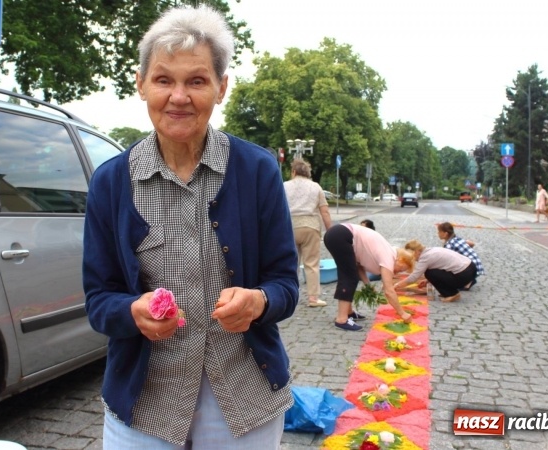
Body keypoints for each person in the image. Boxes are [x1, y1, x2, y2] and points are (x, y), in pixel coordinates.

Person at [82, 6, 298, 449]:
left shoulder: (256, 171)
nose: (178, 96)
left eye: (196, 81)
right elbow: (98, 299)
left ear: (221, 88)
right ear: (141, 84)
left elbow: (285, 285)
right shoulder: (110, 182)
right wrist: (131, 314)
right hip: (144, 404)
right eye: (164, 80)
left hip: (244, 398)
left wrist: (258, 301)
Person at [324, 223, 414, 331]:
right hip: (341, 235)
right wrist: (402, 313)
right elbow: (389, 291)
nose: (399, 272)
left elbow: (358, 265)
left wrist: (368, 286)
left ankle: (349, 313)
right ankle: (342, 319)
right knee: (349, 277)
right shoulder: (389, 257)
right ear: (401, 260)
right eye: (402, 269)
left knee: (349, 274)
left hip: (337, 234)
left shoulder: (387, 252)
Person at [284, 159, 333, 307]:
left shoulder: (284, 186)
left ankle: (289, 295)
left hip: (289, 227)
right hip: (311, 226)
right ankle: (313, 298)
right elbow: (324, 211)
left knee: (291, 263)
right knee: (311, 263)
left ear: (293, 172)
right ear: (307, 173)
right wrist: (331, 231)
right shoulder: (316, 187)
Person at [395, 239, 476, 303]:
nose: (413, 259)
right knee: (430, 274)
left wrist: (396, 286)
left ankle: (452, 294)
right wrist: (428, 281)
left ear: (416, 252)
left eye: (411, 256)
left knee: (429, 273)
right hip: (471, 267)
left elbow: (414, 277)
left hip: (463, 274)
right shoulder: (431, 250)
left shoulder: (425, 257)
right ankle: (448, 291)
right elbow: (442, 268)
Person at [436, 222, 484, 290]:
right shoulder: (457, 239)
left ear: (445, 234)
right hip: (476, 265)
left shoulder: (449, 245)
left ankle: (468, 281)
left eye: (439, 232)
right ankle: (468, 280)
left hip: (470, 268)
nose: (438, 234)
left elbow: (446, 261)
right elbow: (472, 244)